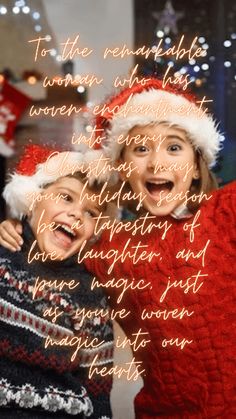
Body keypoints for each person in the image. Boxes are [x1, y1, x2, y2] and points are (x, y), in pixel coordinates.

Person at [1, 79, 236, 418]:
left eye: (174, 148)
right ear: (122, 169)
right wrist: (14, 225)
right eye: (140, 150)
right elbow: (58, 238)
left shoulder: (225, 214)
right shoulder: (110, 248)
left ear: (197, 163)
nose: (156, 164)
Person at [0, 145, 114, 418]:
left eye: (91, 213)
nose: (77, 214)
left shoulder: (89, 294)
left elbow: (97, 389)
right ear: (33, 199)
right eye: (66, 198)